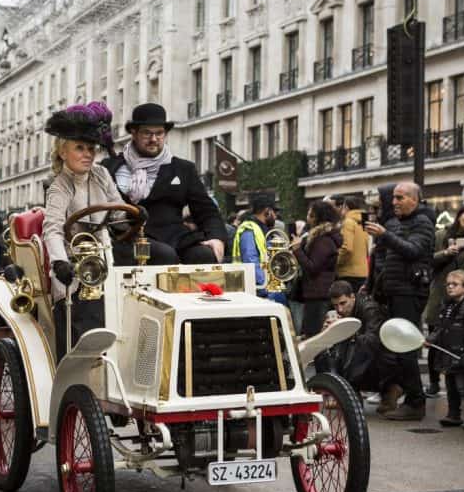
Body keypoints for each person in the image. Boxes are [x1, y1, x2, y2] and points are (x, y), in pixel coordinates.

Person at [42, 102, 126, 359]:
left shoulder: (101, 174)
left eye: (91, 148)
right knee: (81, 313)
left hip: (104, 256)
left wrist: (132, 217)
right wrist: (59, 262)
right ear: (63, 152)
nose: (88, 154)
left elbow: (119, 211)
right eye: (80, 148)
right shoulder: (60, 185)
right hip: (73, 265)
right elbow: (52, 229)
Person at [103, 103, 226, 264]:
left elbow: (207, 211)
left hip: (176, 237)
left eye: (159, 133)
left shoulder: (183, 168)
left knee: (204, 255)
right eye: (147, 133)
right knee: (163, 255)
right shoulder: (110, 167)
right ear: (134, 133)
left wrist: (217, 239)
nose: (154, 139)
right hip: (128, 239)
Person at [364, 182, 435, 421]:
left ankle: (416, 402)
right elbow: (386, 261)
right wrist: (373, 286)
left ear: (415, 200)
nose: (394, 202)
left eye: (400, 198)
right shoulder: (394, 223)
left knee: (405, 349)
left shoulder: (423, 222)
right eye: (393, 198)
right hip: (391, 292)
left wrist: (386, 235)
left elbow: (413, 250)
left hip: (410, 293)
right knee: (392, 347)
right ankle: (399, 395)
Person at [423, 203, 464, 396]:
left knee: (456, 340)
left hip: (462, 300)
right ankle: (433, 382)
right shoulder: (442, 235)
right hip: (440, 294)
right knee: (435, 340)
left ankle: (456, 384)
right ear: (459, 216)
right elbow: (428, 260)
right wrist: (446, 253)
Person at [428, 270, 464, 430]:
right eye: (448, 284)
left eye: (455, 284)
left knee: (463, 387)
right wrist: (431, 339)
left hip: (459, 354)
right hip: (448, 353)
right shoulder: (448, 306)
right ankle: (454, 414)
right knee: (451, 386)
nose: (450, 287)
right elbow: (440, 327)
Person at [324, 281, 400, 398]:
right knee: (325, 350)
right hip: (371, 356)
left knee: (354, 349)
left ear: (353, 297)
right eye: (335, 305)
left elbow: (373, 341)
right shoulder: (344, 311)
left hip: (385, 359)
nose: (340, 309)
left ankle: (389, 387)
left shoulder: (370, 309)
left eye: (343, 303)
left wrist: (345, 330)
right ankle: (344, 391)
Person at [293, 201, 342, 338]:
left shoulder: (323, 240)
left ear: (317, 217)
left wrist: (297, 251)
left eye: (310, 215)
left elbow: (313, 267)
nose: (307, 218)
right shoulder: (319, 237)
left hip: (319, 294)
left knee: (315, 336)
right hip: (316, 292)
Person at [231, 192, 286, 305]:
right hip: (259, 292)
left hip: (264, 289)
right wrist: (267, 288)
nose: (275, 217)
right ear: (267, 211)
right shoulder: (249, 231)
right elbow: (251, 262)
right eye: (274, 212)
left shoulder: (261, 230)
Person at [335, 196, 369, 294]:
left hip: (348, 272)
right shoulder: (363, 222)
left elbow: (347, 248)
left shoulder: (348, 222)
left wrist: (336, 262)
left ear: (347, 207)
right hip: (363, 271)